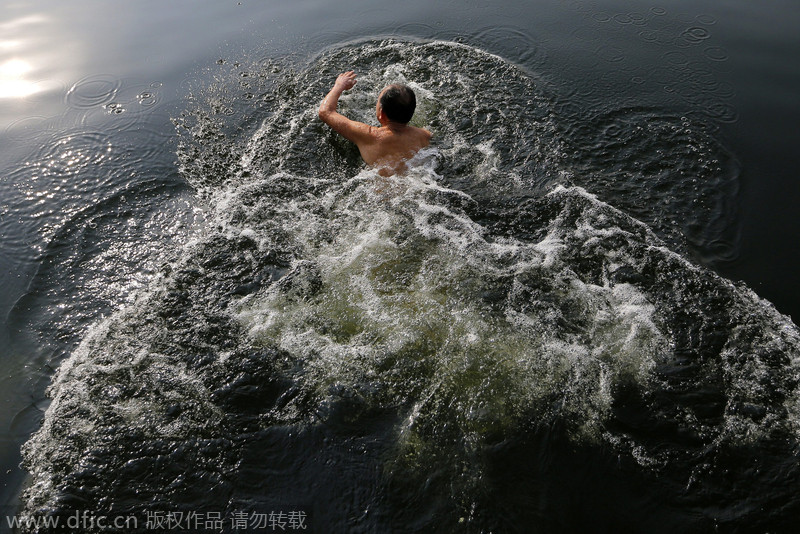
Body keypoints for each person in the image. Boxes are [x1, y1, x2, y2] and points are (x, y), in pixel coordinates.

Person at [318, 71, 432, 177]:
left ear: (381, 113)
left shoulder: (369, 136)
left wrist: (339, 86)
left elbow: (325, 112)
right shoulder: (424, 135)